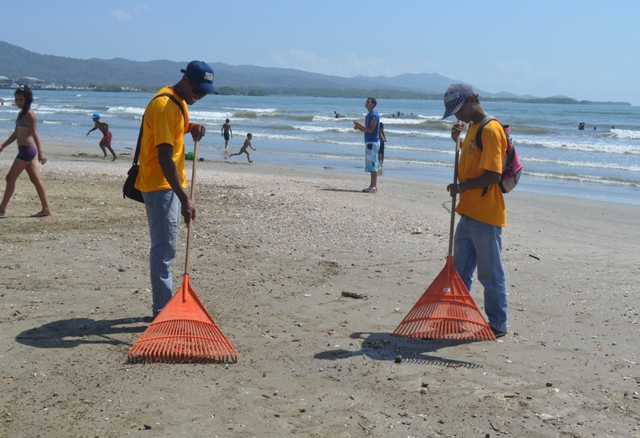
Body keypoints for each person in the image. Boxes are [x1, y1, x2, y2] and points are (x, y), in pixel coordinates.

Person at [134, 60, 216, 317]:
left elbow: (174, 130)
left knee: (166, 247)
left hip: (169, 184)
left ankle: (164, 308)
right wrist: (184, 199)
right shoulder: (163, 106)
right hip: (161, 186)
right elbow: (164, 158)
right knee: (164, 249)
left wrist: (192, 127)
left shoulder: (179, 102)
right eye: (197, 90)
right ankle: (162, 311)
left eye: (204, 93)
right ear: (186, 80)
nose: (199, 96)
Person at [442, 83, 509, 338]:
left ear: (472, 99)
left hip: (486, 214)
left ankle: (498, 323)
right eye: (455, 112)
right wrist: (456, 140)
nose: (458, 115)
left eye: (460, 109)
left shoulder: (491, 129)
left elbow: (493, 174)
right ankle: (458, 317)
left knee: (489, 273)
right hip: (468, 212)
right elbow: (470, 158)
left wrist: (462, 187)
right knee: (460, 271)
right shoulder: (472, 128)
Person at [0, 86, 51, 217]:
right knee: (35, 179)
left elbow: (35, 134)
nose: (18, 102)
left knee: (10, 178)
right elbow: (16, 134)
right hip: (24, 150)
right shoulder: (21, 113)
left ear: (27, 99)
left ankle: (1, 209)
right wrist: (3, 145)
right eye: (16, 99)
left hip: (27, 151)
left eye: (21, 99)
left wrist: (41, 152)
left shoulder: (29, 114)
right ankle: (46, 209)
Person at [353, 97, 380, 193]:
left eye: (368, 102)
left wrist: (359, 125)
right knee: (370, 164)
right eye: (366, 102)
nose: (366, 103)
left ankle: (373, 186)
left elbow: (371, 130)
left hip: (373, 142)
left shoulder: (374, 115)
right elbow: (367, 130)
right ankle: (372, 185)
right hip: (369, 141)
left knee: (373, 164)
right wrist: (359, 127)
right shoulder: (368, 115)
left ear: (373, 104)